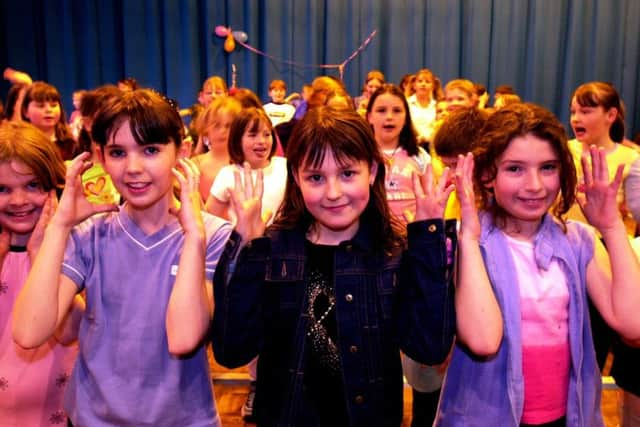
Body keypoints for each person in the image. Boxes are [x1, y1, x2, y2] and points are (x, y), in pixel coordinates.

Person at [211, 106, 456, 426]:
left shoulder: (393, 253)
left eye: (347, 173)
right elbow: (231, 351)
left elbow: (429, 348)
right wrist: (247, 246)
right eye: (315, 177)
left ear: (371, 170)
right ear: (296, 177)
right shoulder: (272, 250)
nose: (333, 193)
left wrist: (427, 243)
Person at [12, 89, 233, 426]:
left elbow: (185, 337)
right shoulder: (90, 234)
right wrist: (60, 225)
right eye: (117, 152)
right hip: (93, 417)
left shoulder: (214, 235)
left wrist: (193, 236)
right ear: (100, 157)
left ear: (182, 151)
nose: (133, 168)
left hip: (183, 418)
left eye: (151, 150)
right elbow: (29, 332)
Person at [435, 102, 640, 426]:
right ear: (488, 174)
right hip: (485, 417)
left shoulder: (578, 240)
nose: (534, 185)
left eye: (548, 167)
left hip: (566, 416)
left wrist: (612, 226)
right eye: (515, 169)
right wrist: (469, 240)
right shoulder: (469, 243)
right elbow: (484, 340)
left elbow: (634, 323)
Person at [366, 83, 450, 427]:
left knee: (421, 348)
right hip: (371, 257)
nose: (389, 116)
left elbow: (431, 209)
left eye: (397, 110)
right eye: (382, 110)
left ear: (407, 116)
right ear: (368, 115)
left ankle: (423, 419)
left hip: (411, 258)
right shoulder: (359, 154)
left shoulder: (420, 157)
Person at [0, 121, 82, 425]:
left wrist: (40, 255)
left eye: (32, 185)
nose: (19, 201)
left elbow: (72, 330)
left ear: (52, 186)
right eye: (3, 189)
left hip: (64, 411)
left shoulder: (75, 246)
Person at [567, 82, 639, 382]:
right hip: (562, 254)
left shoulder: (630, 159)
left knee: (592, 350)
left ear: (611, 115)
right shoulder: (562, 149)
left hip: (604, 261)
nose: (576, 119)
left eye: (585, 111)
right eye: (573, 112)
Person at [206, 107, 287, 228]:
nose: (261, 141)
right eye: (253, 135)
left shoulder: (284, 166)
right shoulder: (228, 174)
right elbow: (209, 219)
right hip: (244, 242)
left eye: (267, 134)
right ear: (238, 140)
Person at [191, 96, 242, 202]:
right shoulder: (194, 166)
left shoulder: (247, 164)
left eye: (228, 126)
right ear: (206, 129)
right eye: (217, 125)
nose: (223, 131)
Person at [21, 81, 77, 160]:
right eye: (41, 106)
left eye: (53, 105)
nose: (49, 110)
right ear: (25, 111)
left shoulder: (71, 144)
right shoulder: (21, 145)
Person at [407, 68, 438, 144]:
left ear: (433, 86)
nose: (423, 84)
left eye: (427, 82)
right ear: (414, 85)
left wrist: (425, 138)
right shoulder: (406, 103)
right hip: (410, 142)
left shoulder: (437, 105)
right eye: (420, 81)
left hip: (431, 144)